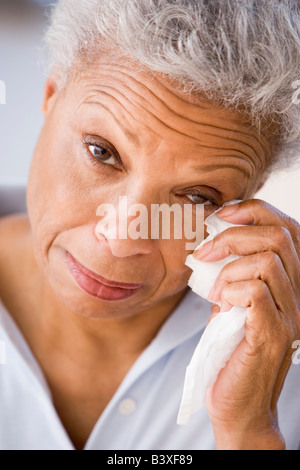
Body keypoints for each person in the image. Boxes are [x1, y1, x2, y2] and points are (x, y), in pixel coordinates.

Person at [0, 0, 299, 450]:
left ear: (249, 196)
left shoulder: (281, 372)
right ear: (51, 94)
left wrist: (249, 432)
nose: (122, 239)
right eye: (102, 153)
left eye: (197, 197)